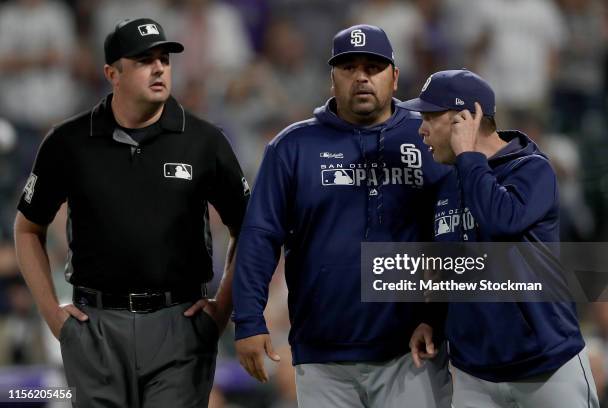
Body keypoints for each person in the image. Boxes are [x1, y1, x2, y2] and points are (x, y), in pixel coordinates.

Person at [13, 18, 249, 407]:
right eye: (143, 60)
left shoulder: (204, 141)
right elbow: (27, 230)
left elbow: (249, 226)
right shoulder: (69, 141)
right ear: (112, 73)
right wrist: (53, 315)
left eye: (164, 59)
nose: (159, 68)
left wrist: (221, 310)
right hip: (96, 328)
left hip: (180, 325)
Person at [233, 24, 451, 408]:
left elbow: (454, 234)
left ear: (395, 77)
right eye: (349, 68)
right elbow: (259, 236)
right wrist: (248, 319)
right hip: (322, 355)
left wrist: (438, 317)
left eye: (373, 67)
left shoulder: (427, 135)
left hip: (412, 350)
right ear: (331, 79)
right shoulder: (292, 147)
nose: (362, 77)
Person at [401, 69, 599, 408]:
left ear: (466, 118)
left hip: (547, 367)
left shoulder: (532, 169)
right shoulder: (448, 182)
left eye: (430, 117)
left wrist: (469, 156)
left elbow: (500, 223)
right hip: (474, 374)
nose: (421, 129)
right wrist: (431, 319)